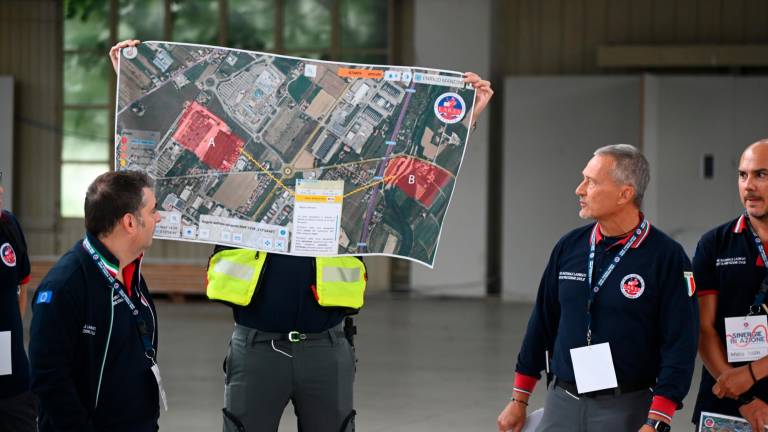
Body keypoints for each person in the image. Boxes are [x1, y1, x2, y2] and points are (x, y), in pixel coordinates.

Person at [110, 40, 493, 432]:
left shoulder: (351, 183)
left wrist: (465, 120)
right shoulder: (244, 175)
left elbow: (411, 181)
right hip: (256, 347)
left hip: (326, 348)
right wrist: (132, 80)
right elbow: (163, 162)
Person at [497, 144, 699, 432]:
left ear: (625, 193)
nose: (579, 190)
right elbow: (541, 322)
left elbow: (681, 343)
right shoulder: (569, 247)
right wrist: (519, 398)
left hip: (626, 407)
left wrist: (658, 420)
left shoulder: (667, 257)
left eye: (590, 182)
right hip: (562, 401)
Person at [29, 171, 162, 432]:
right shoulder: (64, 286)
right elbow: (48, 379)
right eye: (152, 210)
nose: (158, 217)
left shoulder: (130, 273)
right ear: (130, 223)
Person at [692, 139, 768, 430]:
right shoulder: (714, 243)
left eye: (761, 174)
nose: (749, 185)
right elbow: (703, 326)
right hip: (725, 398)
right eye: (743, 175)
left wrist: (750, 374)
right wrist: (744, 394)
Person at [0, 169, 36, 431]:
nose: (2, 191)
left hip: (13, 380)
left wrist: (8, 340)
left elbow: (22, 286)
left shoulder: (8, 226)